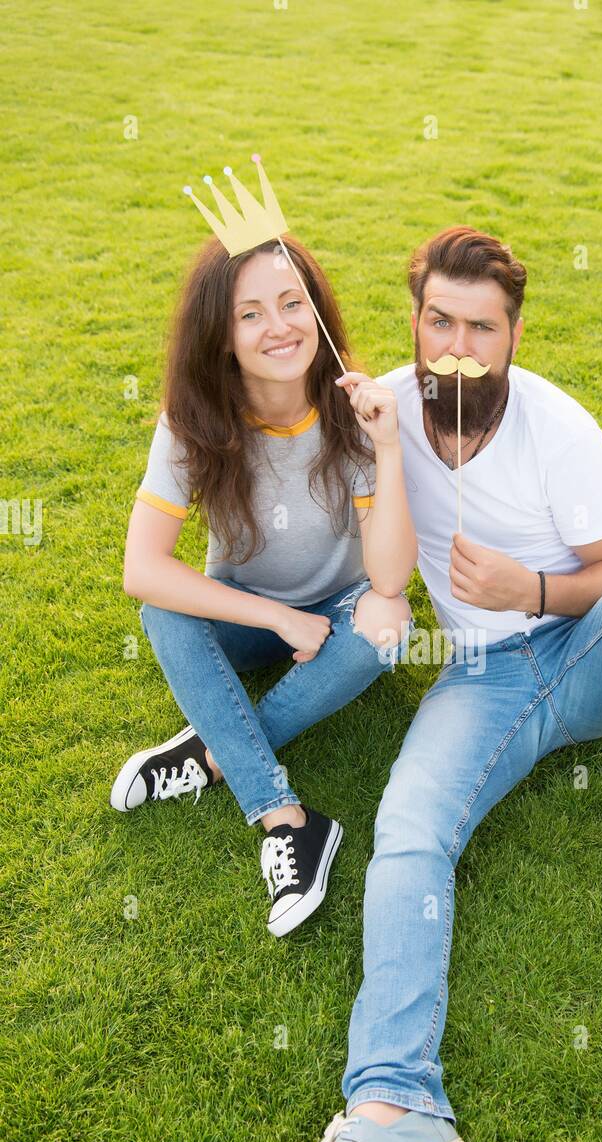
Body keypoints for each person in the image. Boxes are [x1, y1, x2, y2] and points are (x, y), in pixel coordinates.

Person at [263, 226, 602, 1142]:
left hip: (589, 656)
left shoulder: (560, 431)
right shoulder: (387, 409)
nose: (458, 347)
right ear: (414, 320)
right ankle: (393, 1106)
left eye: (481, 328)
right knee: (407, 830)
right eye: (440, 321)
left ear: (514, 334)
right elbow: (285, 438)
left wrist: (534, 589)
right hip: (478, 679)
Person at [111, 231, 417, 935]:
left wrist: (388, 446)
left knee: (389, 623)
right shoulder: (192, 422)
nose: (278, 326)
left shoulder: (355, 411)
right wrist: (277, 618)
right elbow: (142, 569)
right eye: (250, 314)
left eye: (292, 303)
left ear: (318, 312)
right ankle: (287, 819)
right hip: (248, 614)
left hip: (340, 609)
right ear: (221, 335)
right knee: (163, 611)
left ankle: (212, 754)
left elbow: (390, 578)